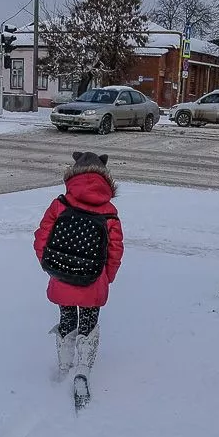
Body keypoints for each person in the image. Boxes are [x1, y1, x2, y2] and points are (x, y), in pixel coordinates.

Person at [33, 152, 124, 404]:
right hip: (93, 280)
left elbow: (42, 237)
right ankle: (82, 370)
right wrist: (106, 278)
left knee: (67, 318)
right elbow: (115, 250)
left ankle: (64, 366)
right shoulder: (109, 213)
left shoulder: (60, 204)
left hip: (62, 275)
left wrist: (49, 265)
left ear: (74, 173)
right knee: (88, 323)